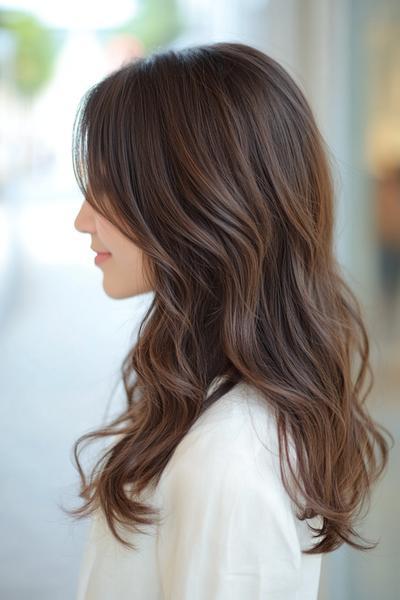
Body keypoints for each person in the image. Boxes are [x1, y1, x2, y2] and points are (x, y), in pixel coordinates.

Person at [69, 41, 393, 599]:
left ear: (196, 201)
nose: (81, 220)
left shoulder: (229, 461)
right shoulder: (213, 412)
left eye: (106, 187)